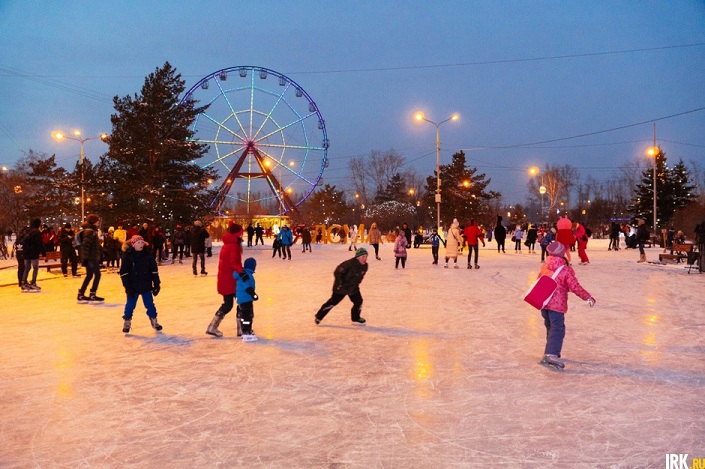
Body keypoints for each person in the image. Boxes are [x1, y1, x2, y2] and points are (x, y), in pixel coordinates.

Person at [538, 241, 595, 370]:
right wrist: (588, 297)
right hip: (557, 306)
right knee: (557, 329)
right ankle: (551, 354)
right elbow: (575, 287)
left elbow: (538, 281)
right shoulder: (565, 270)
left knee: (551, 327)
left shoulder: (545, 266)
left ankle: (550, 351)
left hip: (544, 303)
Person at [206, 222, 246, 338]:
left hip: (226, 279)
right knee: (241, 302)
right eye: (241, 233)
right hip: (231, 280)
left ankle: (213, 326)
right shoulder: (233, 246)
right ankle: (241, 329)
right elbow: (234, 263)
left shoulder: (228, 244)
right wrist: (242, 273)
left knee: (228, 304)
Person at [119, 235, 162, 333]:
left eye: (142, 242)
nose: (141, 244)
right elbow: (124, 272)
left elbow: (153, 269)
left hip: (145, 283)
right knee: (130, 304)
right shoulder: (128, 255)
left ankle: (154, 320)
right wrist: (127, 286)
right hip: (133, 284)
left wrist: (156, 283)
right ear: (133, 244)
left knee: (149, 304)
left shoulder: (147, 253)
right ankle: (127, 321)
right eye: (138, 243)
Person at [315, 247, 369, 325]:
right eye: (363, 257)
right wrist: (340, 283)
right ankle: (319, 316)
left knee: (358, 301)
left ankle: (355, 318)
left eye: (366, 256)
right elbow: (337, 272)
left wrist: (355, 285)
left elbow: (359, 277)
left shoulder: (365, 266)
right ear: (357, 257)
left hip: (353, 288)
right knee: (333, 302)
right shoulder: (349, 264)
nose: (365, 258)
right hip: (341, 287)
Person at [78, 213, 104, 302]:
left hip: (90, 257)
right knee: (97, 274)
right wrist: (85, 257)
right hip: (91, 257)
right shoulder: (90, 231)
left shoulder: (91, 231)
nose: (98, 223)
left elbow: (92, 244)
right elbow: (85, 245)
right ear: (94, 222)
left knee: (89, 275)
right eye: (97, 221)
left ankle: (81, 293)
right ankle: (92, 293)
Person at [235, 257, 259, 342]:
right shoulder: (247, 275)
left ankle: (246, 330)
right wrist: (253, 294)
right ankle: (246, 332)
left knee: (245, 314)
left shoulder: (244, 273)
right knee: (247, 316)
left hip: (243, 298)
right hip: (246, 298)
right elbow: (247, 286)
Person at [21, 218, 45, 292]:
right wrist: (43, 253)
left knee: (27, 268)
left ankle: (24, 282)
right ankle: (33, 283)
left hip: (26, 253)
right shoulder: (37, 232)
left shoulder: (26, 231)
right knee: (35, 268)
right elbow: (39, 244)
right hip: (34, 253)